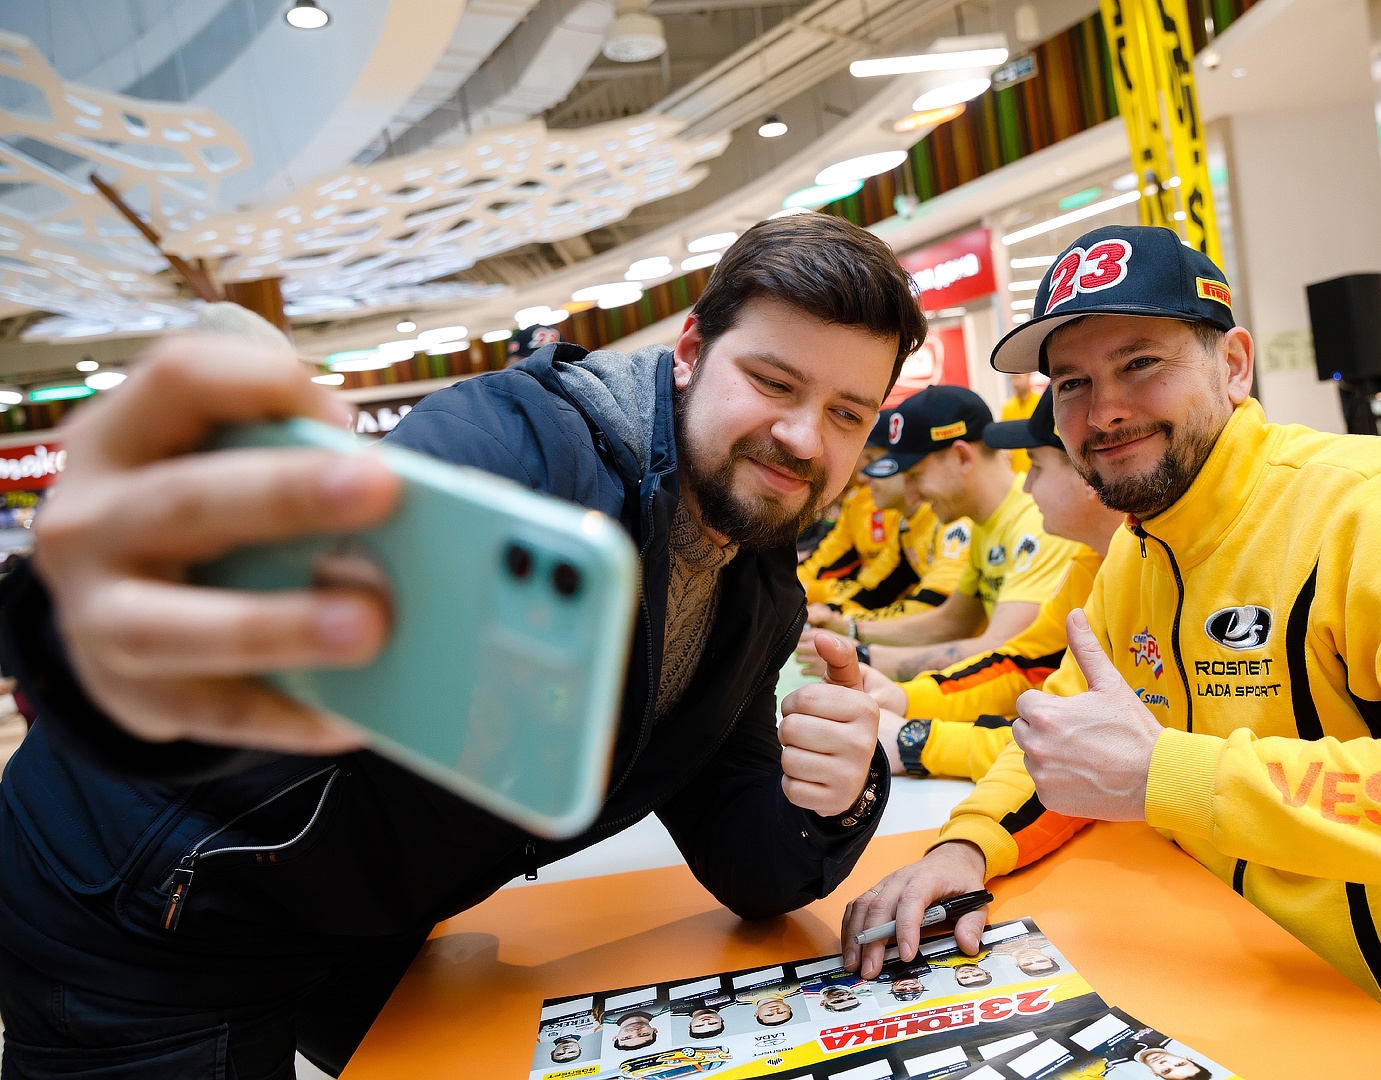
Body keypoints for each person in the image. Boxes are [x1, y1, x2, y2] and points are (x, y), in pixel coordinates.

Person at [0, 214, 924, 1078]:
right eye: (772, 382)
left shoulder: (754, 585)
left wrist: (838, 795)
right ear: (690, 353)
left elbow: (749, 863)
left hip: (354, 920)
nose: (803, 437)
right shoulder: (519, 450)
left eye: (847, 412)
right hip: (140, 914)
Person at [842, 225, 1381, 1080]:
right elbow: (1062, 739)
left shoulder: (1379, 506)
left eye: (1141, 363)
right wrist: (967, 847)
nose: (1103, 412)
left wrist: (1174, 776)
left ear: (1235, 364)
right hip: (1281, 1005)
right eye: (1073, 382)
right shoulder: (1137, 553)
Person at [861, 386, 1124, 781]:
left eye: (1035, 465)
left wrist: (918, 739)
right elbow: (1025, 665)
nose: (1026, 483)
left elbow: (1080, 740)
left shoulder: (1057, 536)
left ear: (1090, 475)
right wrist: (905, 696)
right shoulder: (1094, 560)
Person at [797, 385, 1078, 682]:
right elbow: (950, 622)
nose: (911, 494)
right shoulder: (987, 524)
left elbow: (1003, 651)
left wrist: (861, 656)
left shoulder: (1035, 524)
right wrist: (848, 629)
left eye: (915, 476)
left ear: (962, 457)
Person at [806, 409, 973, 625]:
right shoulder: (905, 524)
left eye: (876, 462)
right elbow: (874, 586)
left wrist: (846, 624)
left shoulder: (954, 521)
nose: (863, 475)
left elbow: (935, 612)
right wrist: (833, 612)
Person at [798, 441, 905, 608]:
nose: (864, 475)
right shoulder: (856, 500)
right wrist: (792, 582)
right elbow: (827, 554)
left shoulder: (896, 508)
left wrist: (811, 592)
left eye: (875, 461)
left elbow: (873, 587)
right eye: (867, 458)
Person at [999, 371, 1041, 474]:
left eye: (1018, 377)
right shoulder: (1007, 408)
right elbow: (1005, 443)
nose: (1015, 383)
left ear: (1028, 376)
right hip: (1016, 473)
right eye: (1012, 378)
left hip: (1039, 469)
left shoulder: (1040, 403)